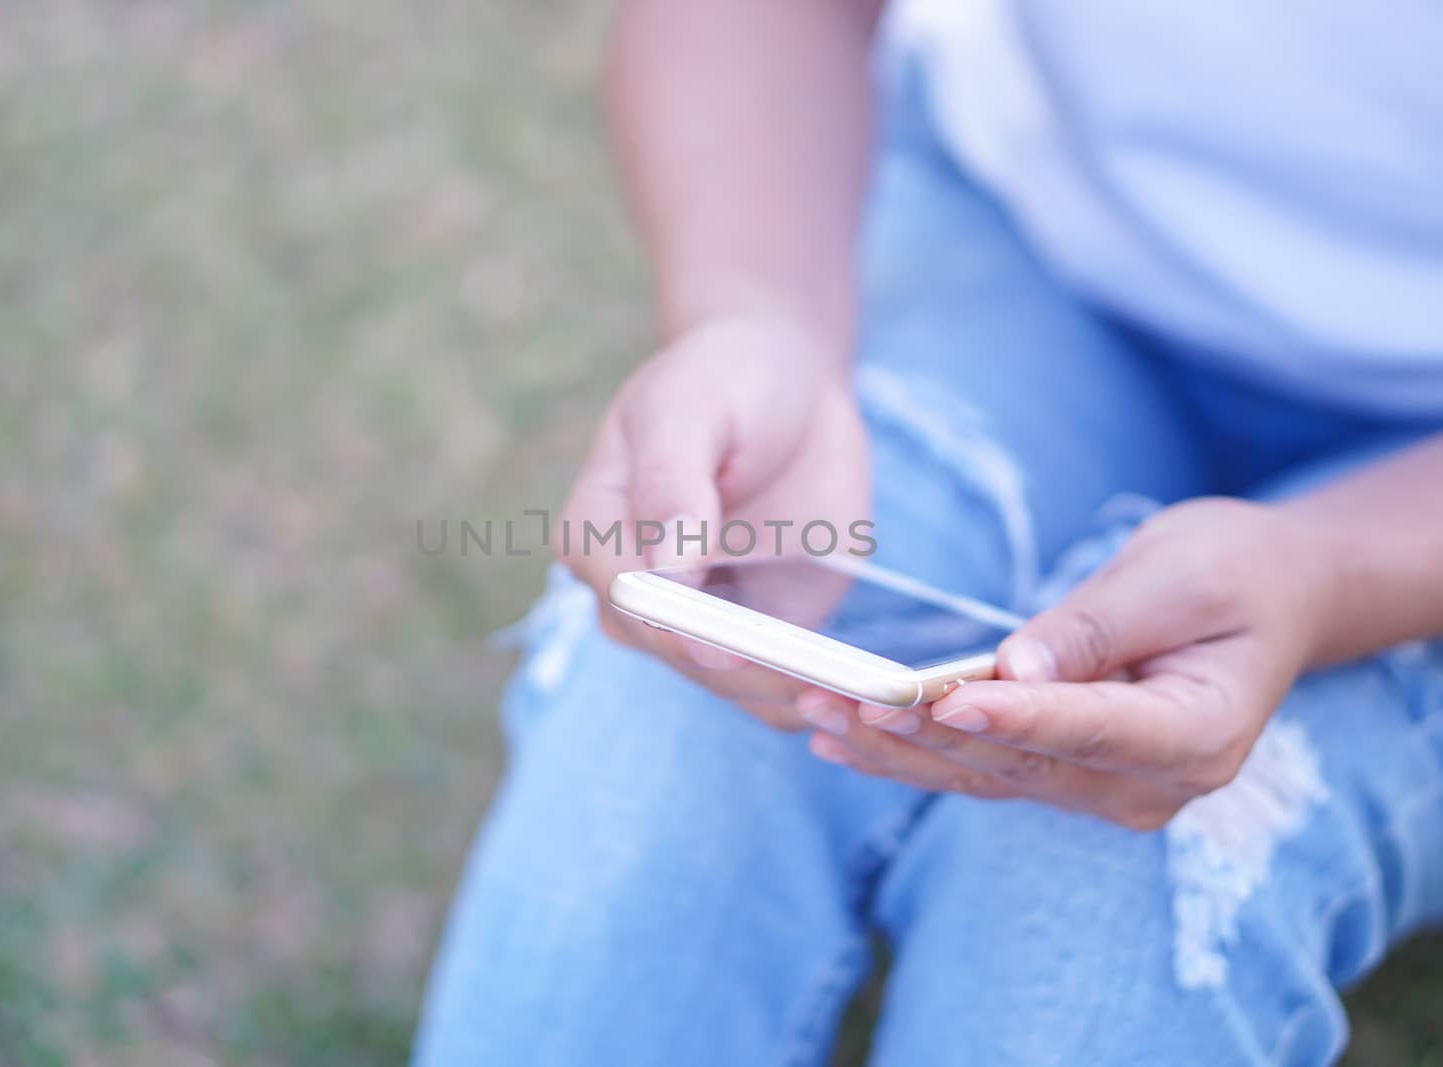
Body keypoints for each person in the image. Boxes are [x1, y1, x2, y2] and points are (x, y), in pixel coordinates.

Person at [413, 0, 1443, 1062]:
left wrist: (1331, 576)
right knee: (680, 707)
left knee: (1111, 869)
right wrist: (761, 320)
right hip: (1035, 242)